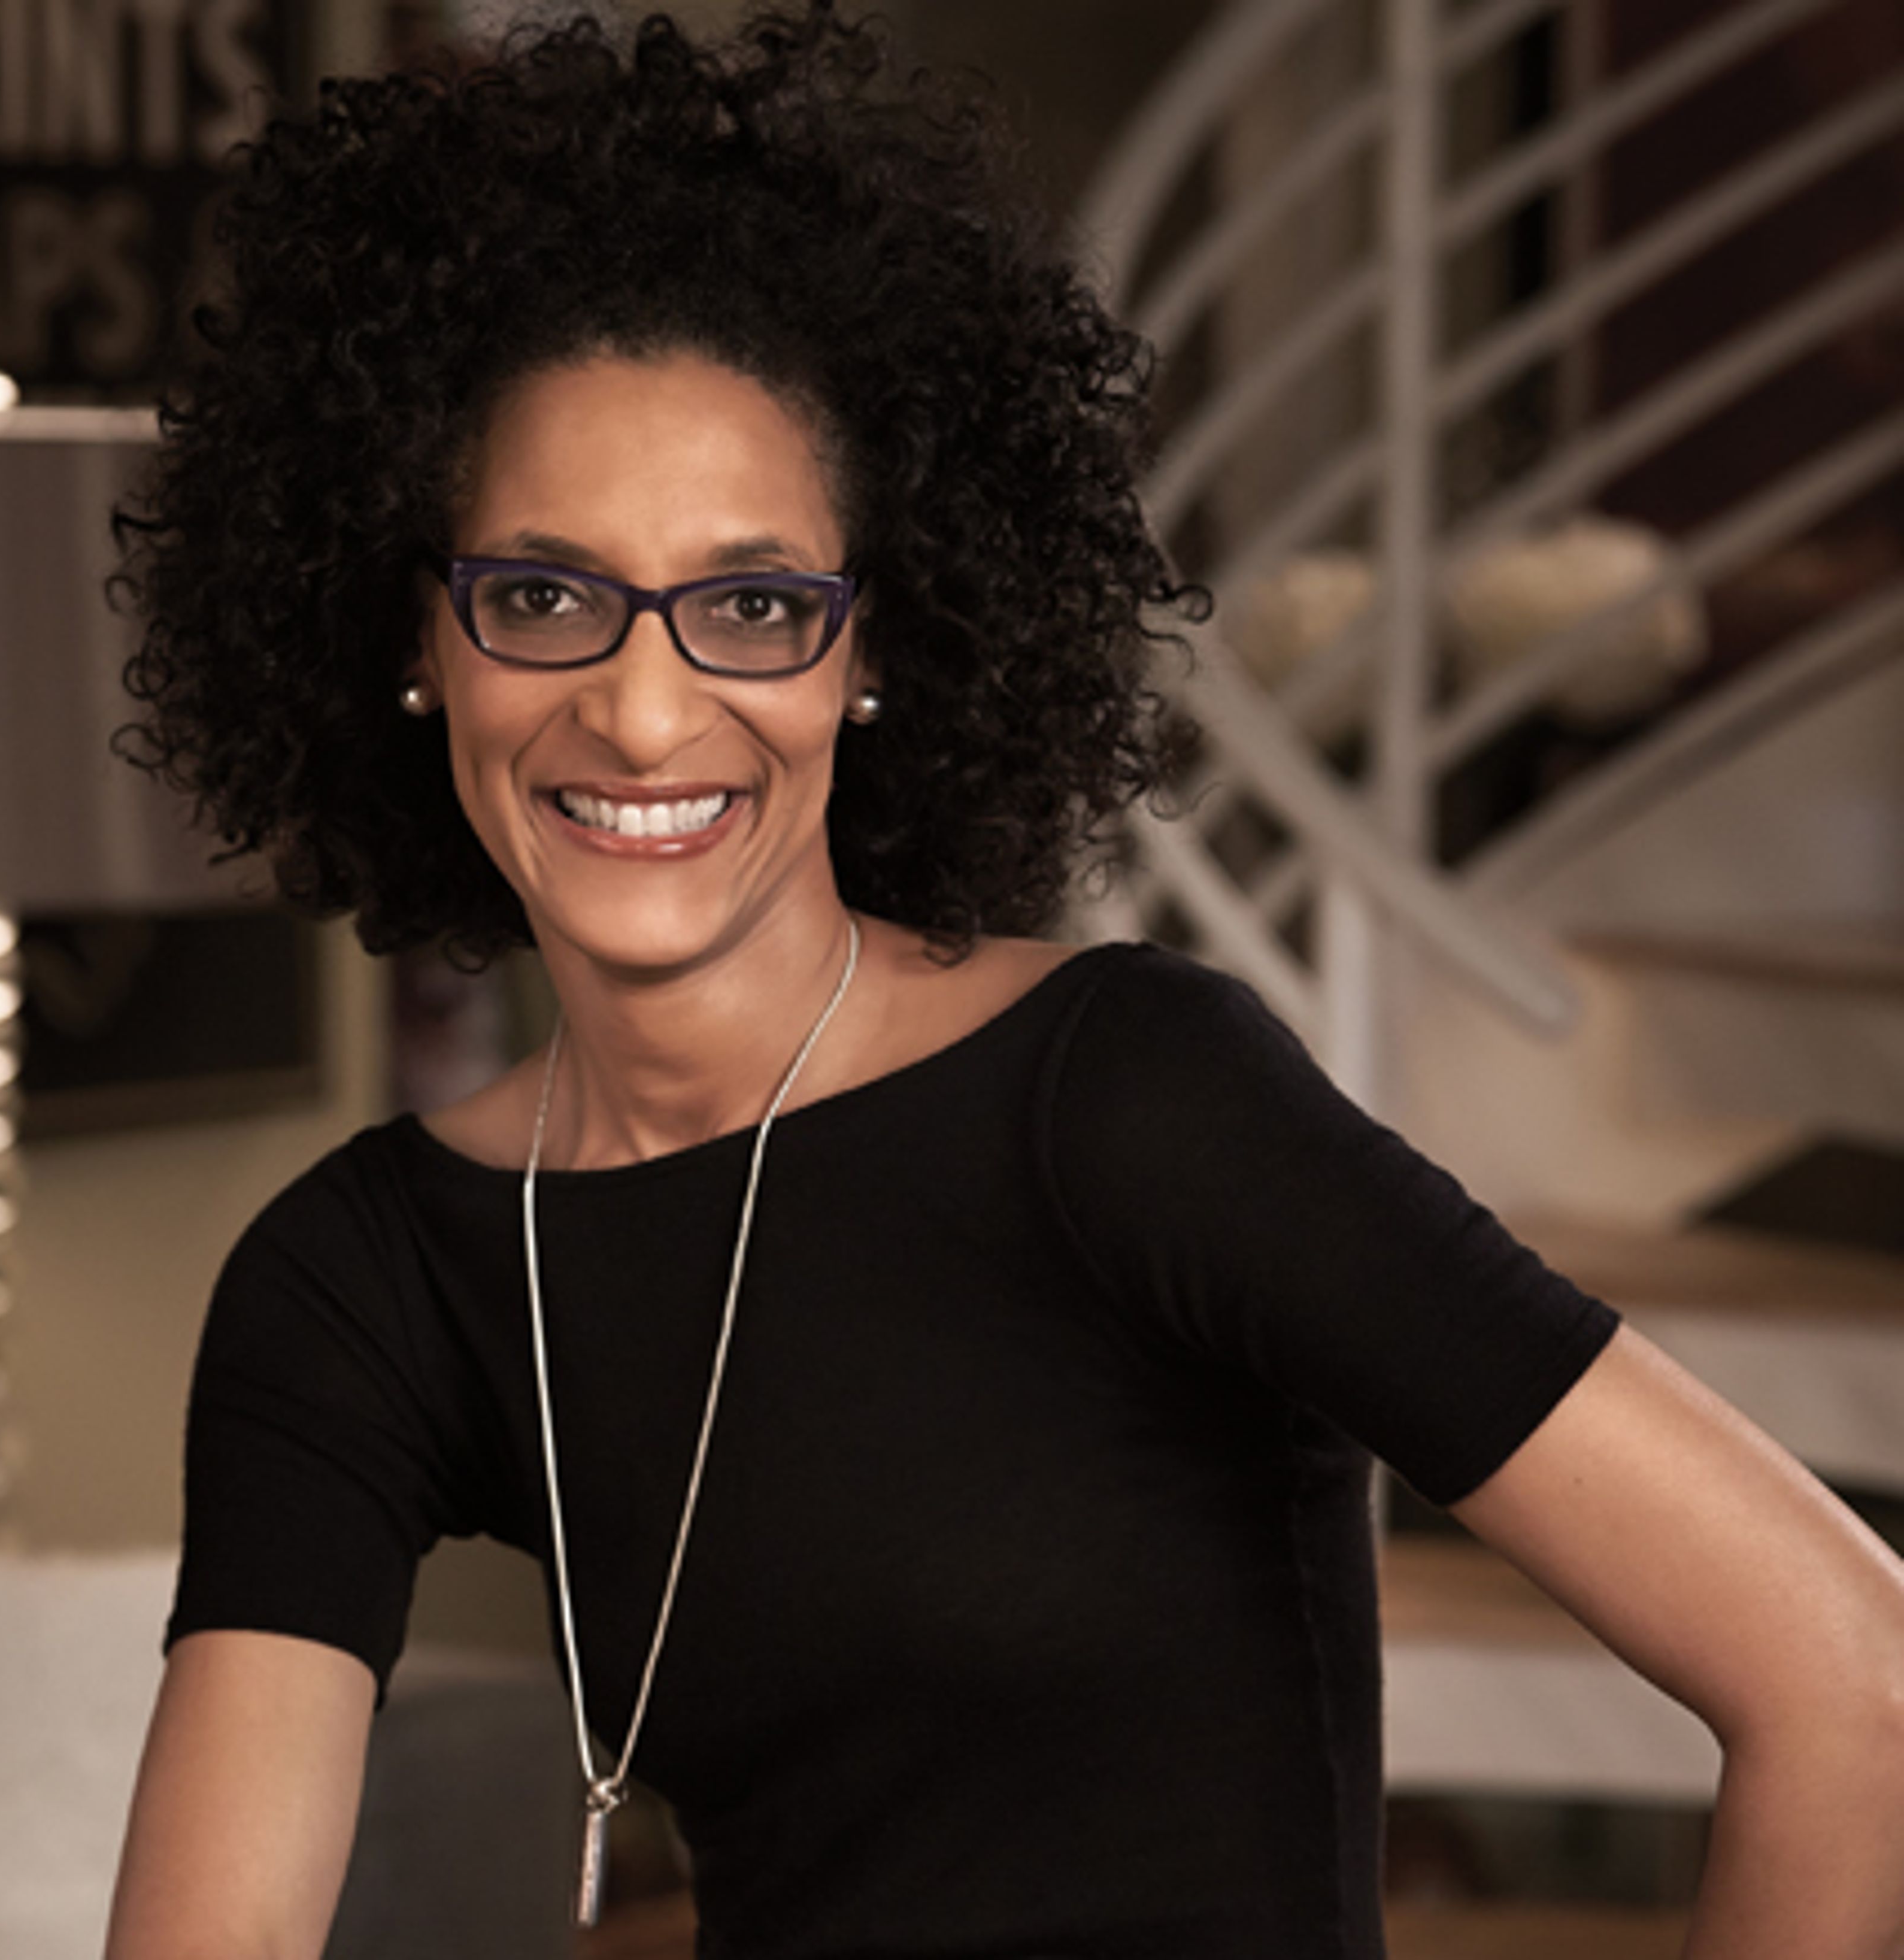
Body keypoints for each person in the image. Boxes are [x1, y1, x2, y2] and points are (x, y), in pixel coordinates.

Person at [104, 7, 1904, 1957]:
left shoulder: (1132, 1101)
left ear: (871, 654)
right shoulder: (364, 1281)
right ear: (419, 640)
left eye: (752, 605)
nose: (640, 710)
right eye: (543, 595)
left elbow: (1851, 1680)